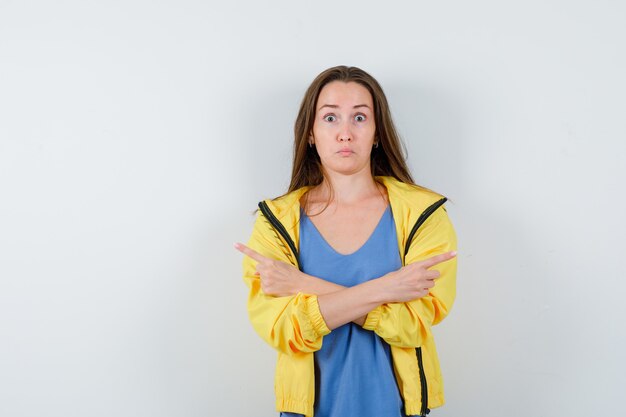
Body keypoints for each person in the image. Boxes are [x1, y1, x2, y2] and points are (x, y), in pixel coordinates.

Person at [234, 65, 457, 417]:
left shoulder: (423, 214)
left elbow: (413, 325)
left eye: (359, 117)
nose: (345, 133)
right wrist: (388, 287)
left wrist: (303, 284)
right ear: (310, 133)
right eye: (330, 118)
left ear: (377, 133)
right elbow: (283, 328)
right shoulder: (276, 223)